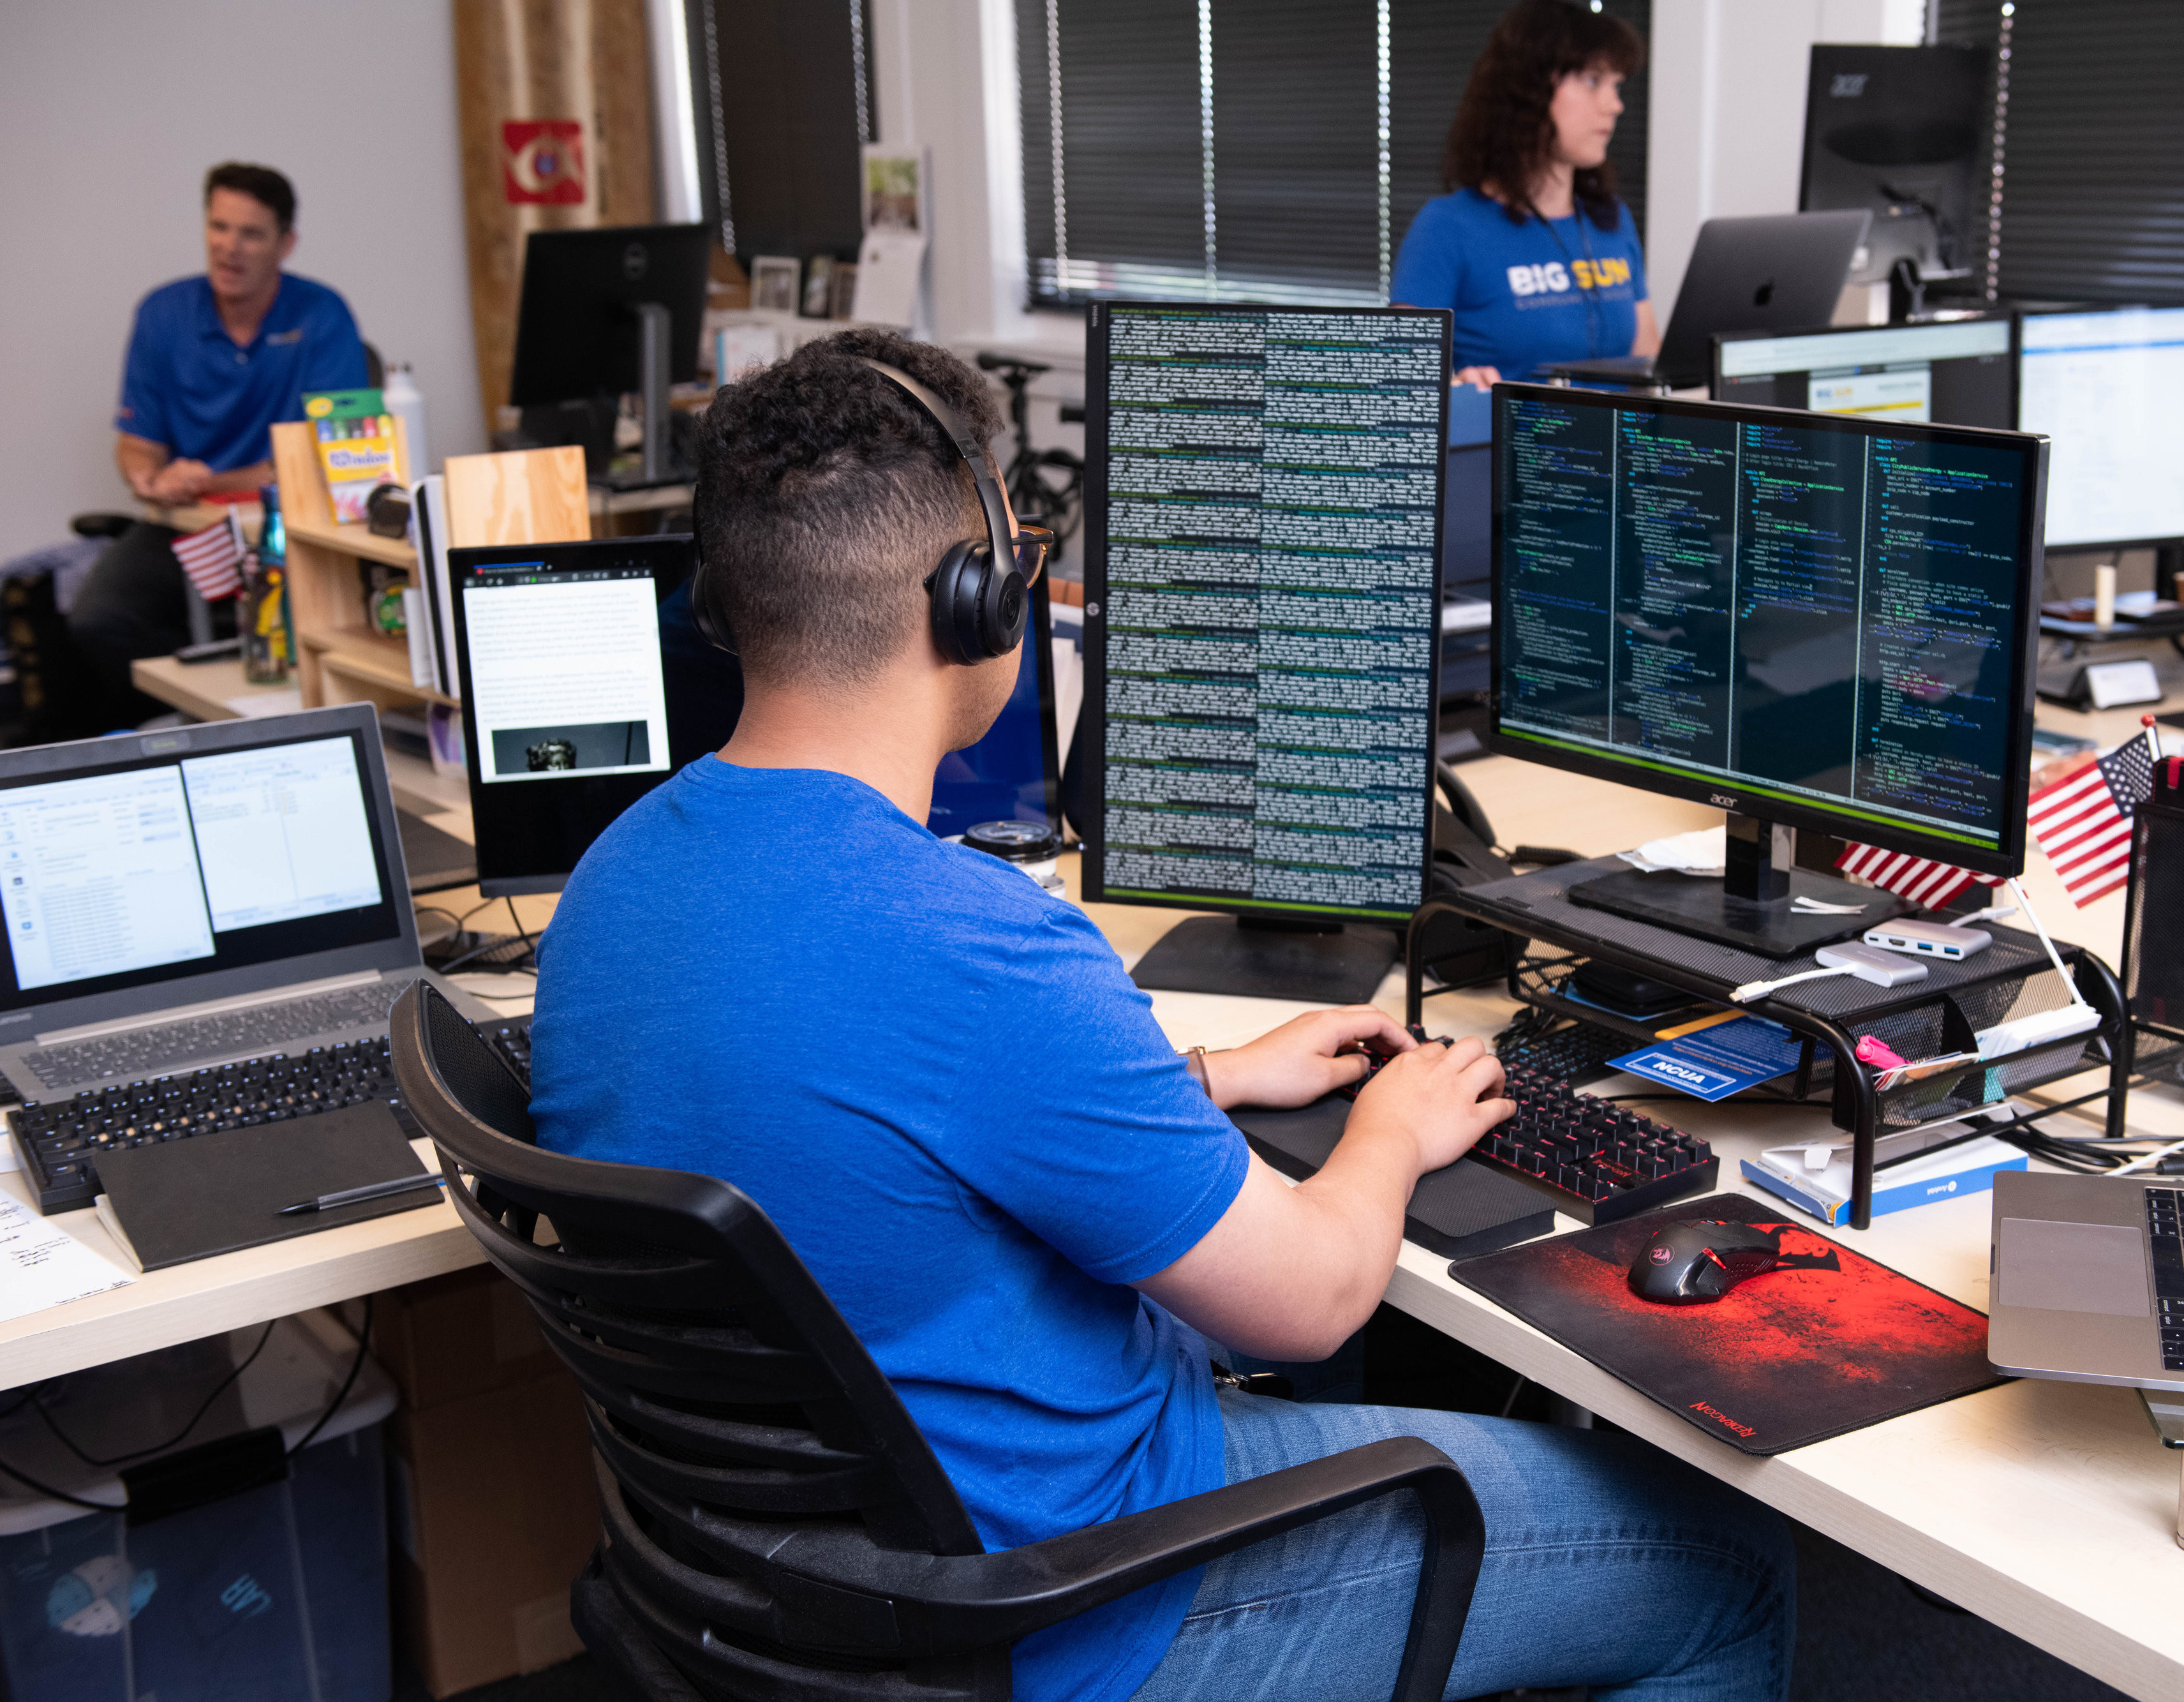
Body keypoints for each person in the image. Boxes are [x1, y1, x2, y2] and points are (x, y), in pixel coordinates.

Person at [529, 329, 1794, 1702]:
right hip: (1078, 1597)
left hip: (795, 1597)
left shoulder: (615, 881)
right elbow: (1305, 1302)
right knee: (1722, 1564)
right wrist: (1390, 1125)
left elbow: (863, 1129)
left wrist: (1188, 1079)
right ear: (979, 596)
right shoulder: (981, 946)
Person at [74, 163, 367, 727]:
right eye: (219, 228)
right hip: (184, 524)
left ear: (286, 244)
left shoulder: (322, 313)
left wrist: (208, 479)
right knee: (99, 621)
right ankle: (191, 729)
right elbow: (135, 445)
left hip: (286, 526)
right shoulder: (162, 313)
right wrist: (149, 480)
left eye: (251, 234)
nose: (230, 248)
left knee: (322, 633)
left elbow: (332, 453)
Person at [1392, 0, 1657, 388]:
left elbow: (1649, 366)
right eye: (1592, 80)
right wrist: (1457, 386)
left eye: (1616, 85)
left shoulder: (1611, 219)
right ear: (1529, 90)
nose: (1615, 105)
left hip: (1615, 444)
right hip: (1509, 447)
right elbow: (1402, 385)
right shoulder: (1447, 228)